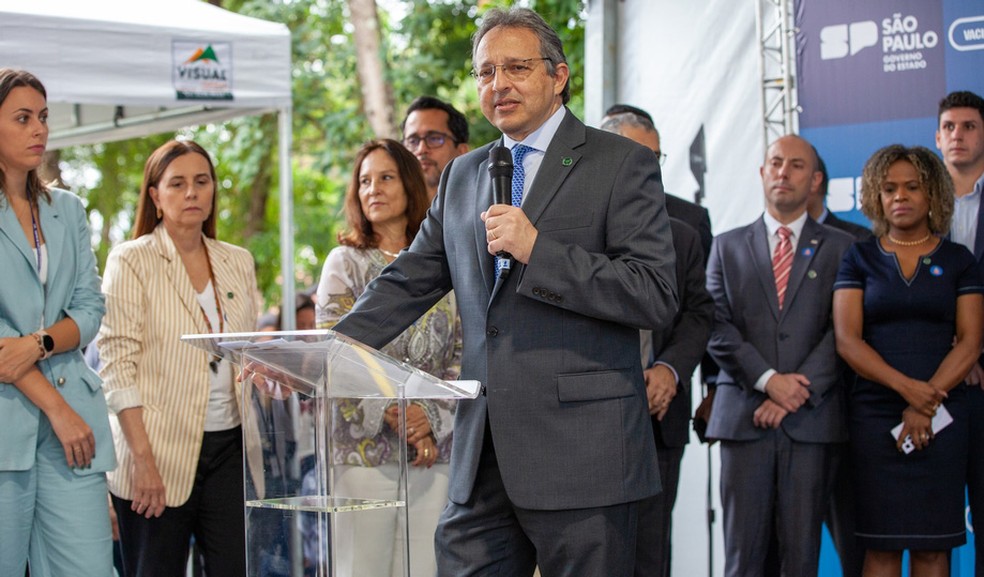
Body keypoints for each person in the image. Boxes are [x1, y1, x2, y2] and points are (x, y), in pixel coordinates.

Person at [332, 8, 678, 576]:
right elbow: (410, 278)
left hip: (582, 457)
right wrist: (327, 348)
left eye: (516, 68)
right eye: (487, 73)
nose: (500, 84)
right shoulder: (465, 175)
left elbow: (654, 292)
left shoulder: (621, 164)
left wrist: (540, 251)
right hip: (482, 456)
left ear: (558, 76)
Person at [98, 139, 259, 577]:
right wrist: (143, 462)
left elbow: (249, 349)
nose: (192, 193)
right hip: (154, 450)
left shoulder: (237, 261)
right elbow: (115, 365)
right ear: (154, 195)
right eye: (178, 183)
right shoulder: (131, 260)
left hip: (230, 445)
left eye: (202, 182)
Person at [705, 134, 853, 577]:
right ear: (762, 173)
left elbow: (842, 332)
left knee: (801, 559)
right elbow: (715, 324)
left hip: (811, 420)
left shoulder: (844, 247)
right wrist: (770, 380)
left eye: (796, 165)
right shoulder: (725, 245)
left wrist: (794, 391)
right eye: (775, 163)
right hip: (743, 420)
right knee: (743, 559)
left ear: (815, 180)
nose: (783, 172)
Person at [311, 139, 460, 577]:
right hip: (361, 451)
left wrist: (429, 417)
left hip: (434, 448)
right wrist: (399, 410)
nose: (372, 188)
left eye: (386, 177)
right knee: (362, 569)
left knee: (425, 569)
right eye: (363, 181)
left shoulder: (445, 260)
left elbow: (465, 353)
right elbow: (333, 352)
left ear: (411, 185)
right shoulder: (345, 262)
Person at [832, 145, 983, 576]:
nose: (900, 197)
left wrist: (924, 404)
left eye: (912, 187)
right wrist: (910, 392)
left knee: (933, 549)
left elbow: (971, 343)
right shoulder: (859, 257)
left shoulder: (959, 261)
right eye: (890, 189)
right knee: (880, 547)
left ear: (932, 193)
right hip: (875, 417)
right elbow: (848, 341)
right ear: (875, 198)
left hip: (942, 416)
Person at [0, 68, 114, 577]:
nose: (39, 130)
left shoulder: (67, 209)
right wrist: (59, 412)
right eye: (22, 118)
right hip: (12, 421)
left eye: (43, 117)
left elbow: (90, 308)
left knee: (92, 569)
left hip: (75, 418)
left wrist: (40, 342)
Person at [600, 112, 714, 577]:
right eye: (638, 157)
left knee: (651, 554)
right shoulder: (575, 229)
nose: (651, 168)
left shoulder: (684, 232)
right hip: (592, 418)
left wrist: (669, 370)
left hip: (659, 415)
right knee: (595, 550)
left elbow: (700, 312)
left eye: (656, 157)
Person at [805, 148, 870, 577]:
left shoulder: (858, 242)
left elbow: (859, 333)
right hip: (780, 422)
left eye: (796, 168)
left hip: (847, 417)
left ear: (816, 181)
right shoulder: (748, 242)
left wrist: (803, 382)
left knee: (855, 544)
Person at [935, 90, 984, 577]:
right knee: (935, 526)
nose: (958, 135)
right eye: (949, 126)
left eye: (968, 126)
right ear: (937, 137)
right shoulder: (918, 206)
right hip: (933, 384)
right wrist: (951, 356)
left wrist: (976, 351)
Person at [600, 105, 713, 258]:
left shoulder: (689, 224)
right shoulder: (579, 219)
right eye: (638, 157)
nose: (649, 165)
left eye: (655, 156)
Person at [401, 96, 470, 202]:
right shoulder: (389, 214)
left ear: (462, 151)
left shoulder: (483, 207)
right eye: (413, 141)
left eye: (434, 139)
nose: (421, 149)